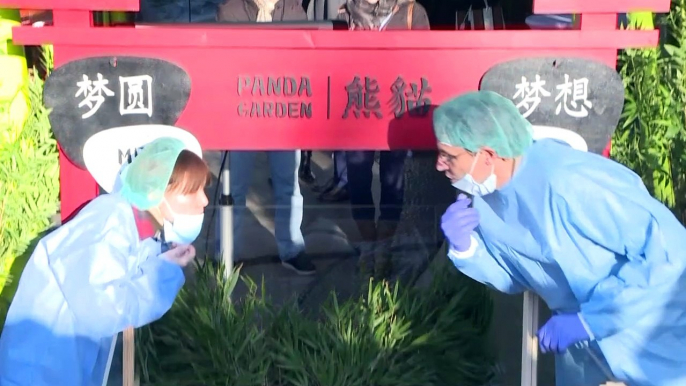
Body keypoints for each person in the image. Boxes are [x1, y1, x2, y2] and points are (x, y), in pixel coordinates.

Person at [434, 91, 686, 386]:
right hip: (584, 357)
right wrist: (467, 249)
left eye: (449, 156)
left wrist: (592, 320)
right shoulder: (487, 200)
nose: (439, 165)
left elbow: (672, 252)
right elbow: (514, 277)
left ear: (487, 155)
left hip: (648, 342)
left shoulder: (570, 180)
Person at [0, 137, 209, 386]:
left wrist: (161, 261)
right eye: (192, 190)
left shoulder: (129, 227)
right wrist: (162, 273)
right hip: (35, 375)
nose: (204, 200)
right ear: (157, 191)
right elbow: (104, 309)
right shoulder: (107, 222)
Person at [216, 0, 316, 275]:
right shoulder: (232, 10)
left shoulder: (294, 11)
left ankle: (292, 249)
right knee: (234, 188)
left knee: (288, 185)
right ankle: (225, 253)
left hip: (283, 111)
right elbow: (224, 61)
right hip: (242, 110)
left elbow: (303, 60)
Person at [338, 0, 429, 279]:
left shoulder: (413, 12)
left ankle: (384, 248)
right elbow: (333, 62)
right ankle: (368, 244)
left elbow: (427, 58)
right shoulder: (346, 13)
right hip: (359, 106)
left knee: (393, 177)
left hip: (397, 107)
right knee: (358, 176)